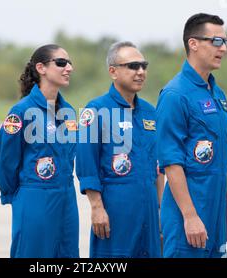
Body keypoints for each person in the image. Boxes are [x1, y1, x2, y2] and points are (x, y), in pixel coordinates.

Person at [156, 13, 227, 258]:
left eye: (225, 41)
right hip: (188, 214)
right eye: (216, 41)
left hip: (215, 213)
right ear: (193, 43)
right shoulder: (174, 94)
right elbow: (171, 162)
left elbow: (224, 153)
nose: (223, 48)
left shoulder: (217, 93)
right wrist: (190, 216)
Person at [76, 41, 163, 258]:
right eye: (133, 66)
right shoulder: (96, 110)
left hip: (149, 208)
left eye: (144, 65)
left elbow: (157, 166)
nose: (141, 71)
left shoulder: (150, 112)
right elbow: (87, 164)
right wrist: (97, 208)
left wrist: (161, 209)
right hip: (116, 206)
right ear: (113, 71)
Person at [0, 44, 79, 258]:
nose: (68, 67)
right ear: (41, 68)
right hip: (35, 197)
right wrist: (17, 195)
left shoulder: (68, 112)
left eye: (69, 63)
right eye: (61, 63)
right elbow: (6, 160)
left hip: (66, 198)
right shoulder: (21, 111)